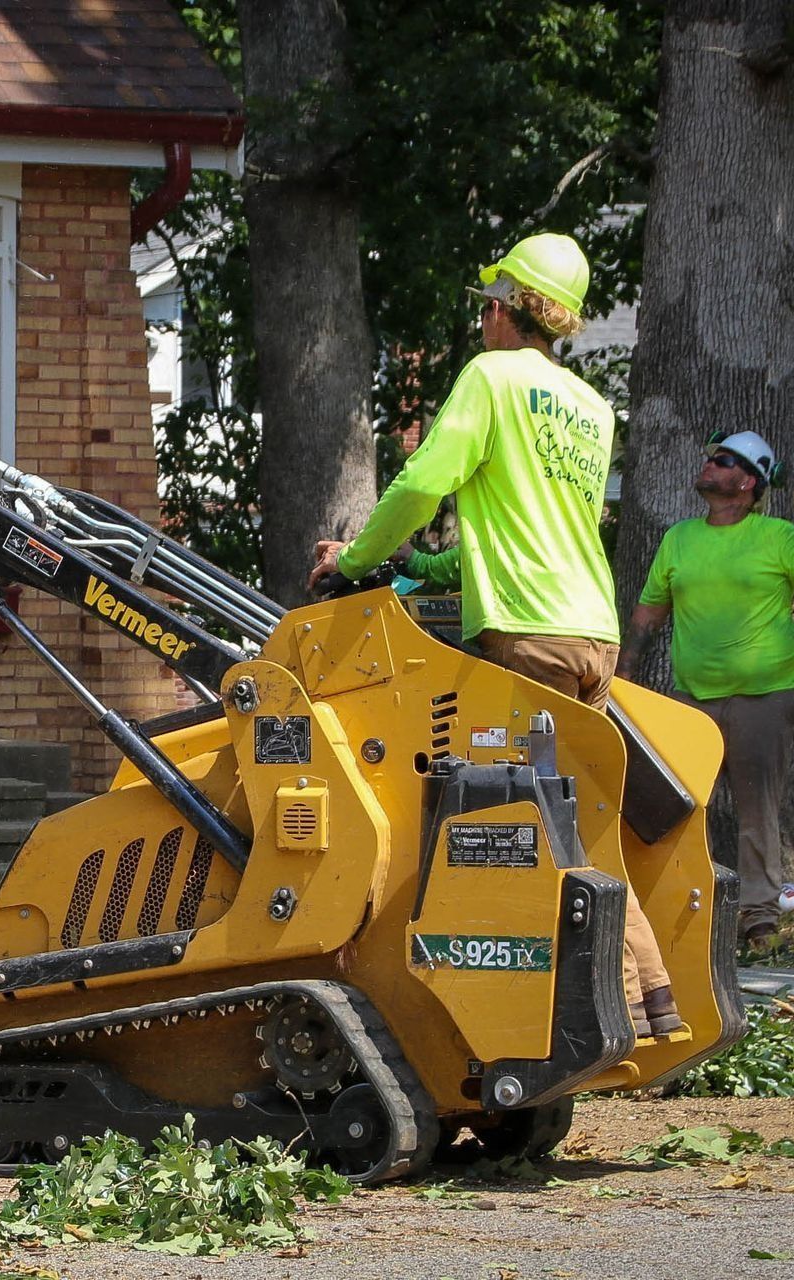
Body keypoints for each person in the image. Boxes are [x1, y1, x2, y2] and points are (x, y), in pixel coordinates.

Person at [309, 231, 682, 1038]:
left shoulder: (490, 377)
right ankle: (657, 997)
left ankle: (597, 1007)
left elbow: (422, 480)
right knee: (575, 824)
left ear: (504, 308)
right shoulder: (588, 408)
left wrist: (357, 564)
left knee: (519, 833)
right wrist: (411, 573)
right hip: (590, 631)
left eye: (487, 301)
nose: (481, 317)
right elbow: (525, 534)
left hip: (528, 634)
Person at [618, 431, 794, 955]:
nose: (708, 465)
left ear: (746, 481)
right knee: (673, 802)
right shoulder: (679, 538)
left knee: (756, 809)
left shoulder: (780, 537)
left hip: (761, 698)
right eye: (711, 457)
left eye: (720, 462)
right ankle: (674, 906)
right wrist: (625, 669)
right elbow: (650, 610)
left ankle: (759, 919)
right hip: (690, 697)